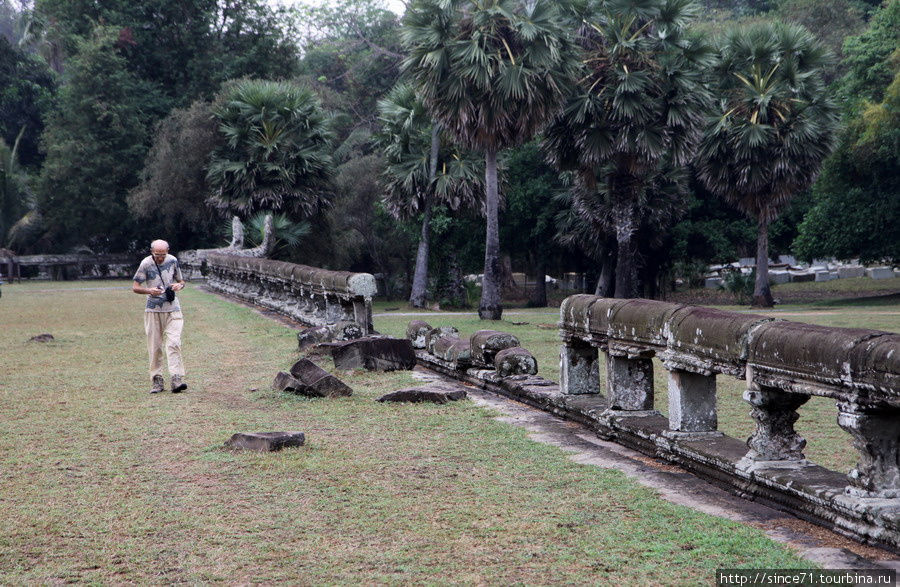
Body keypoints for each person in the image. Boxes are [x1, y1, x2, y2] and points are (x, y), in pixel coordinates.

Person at [132, 239, 187, 394]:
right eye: (157, 255)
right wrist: (150, 291)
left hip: (173, 309)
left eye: (163, 254)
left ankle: (176, 379)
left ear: (168, 251)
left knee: (174, 343)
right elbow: (135, 287)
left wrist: (179, 286)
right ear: (152, 252)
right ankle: (157, 380)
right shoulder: (146, 264)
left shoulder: (173, 261)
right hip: (153, 310)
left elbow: (181, 281)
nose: (161, 258)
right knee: (155, 347)